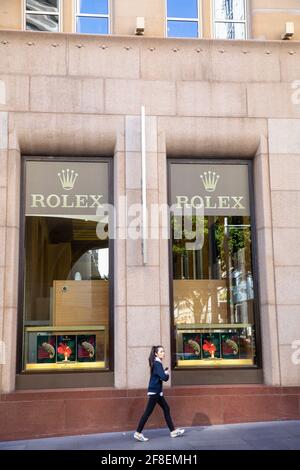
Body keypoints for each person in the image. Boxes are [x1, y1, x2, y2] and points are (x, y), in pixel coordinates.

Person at [134, 345, 185, 442]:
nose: (163, 353)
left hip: (156, 391)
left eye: (164, 351)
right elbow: (164, 378)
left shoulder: (157, 363)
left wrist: (163, 373)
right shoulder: (157, 363)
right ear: (156, 353)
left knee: (166, 408)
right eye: (161, 351)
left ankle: (173, 431)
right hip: (155, 392)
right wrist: (166, 373)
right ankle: (138, 433)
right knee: (148, 412)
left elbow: (159, 376)